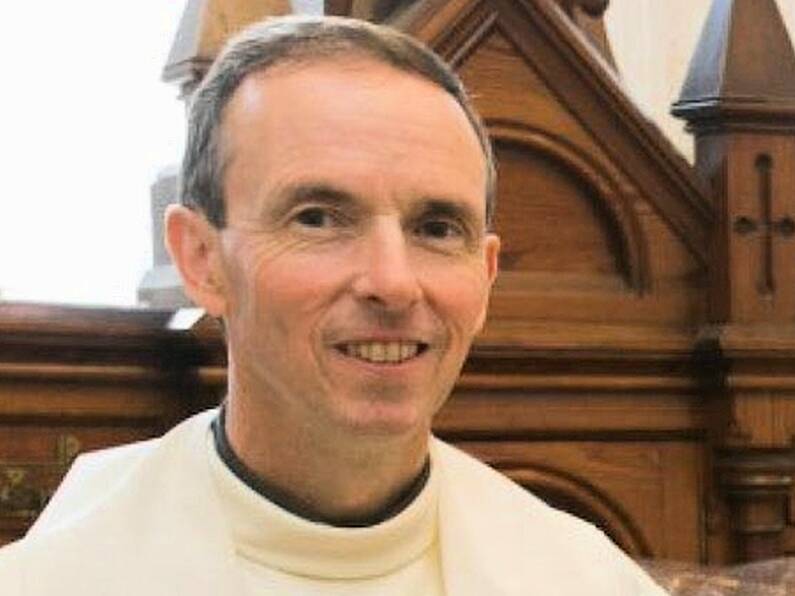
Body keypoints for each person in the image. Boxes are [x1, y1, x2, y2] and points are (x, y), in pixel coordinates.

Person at [0, 15, 667, 595]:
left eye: (436, 228)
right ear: (201, 259)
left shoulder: (580, 578)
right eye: (318, 218)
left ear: (485, 274)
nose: (393, 283)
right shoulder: (59, 578)